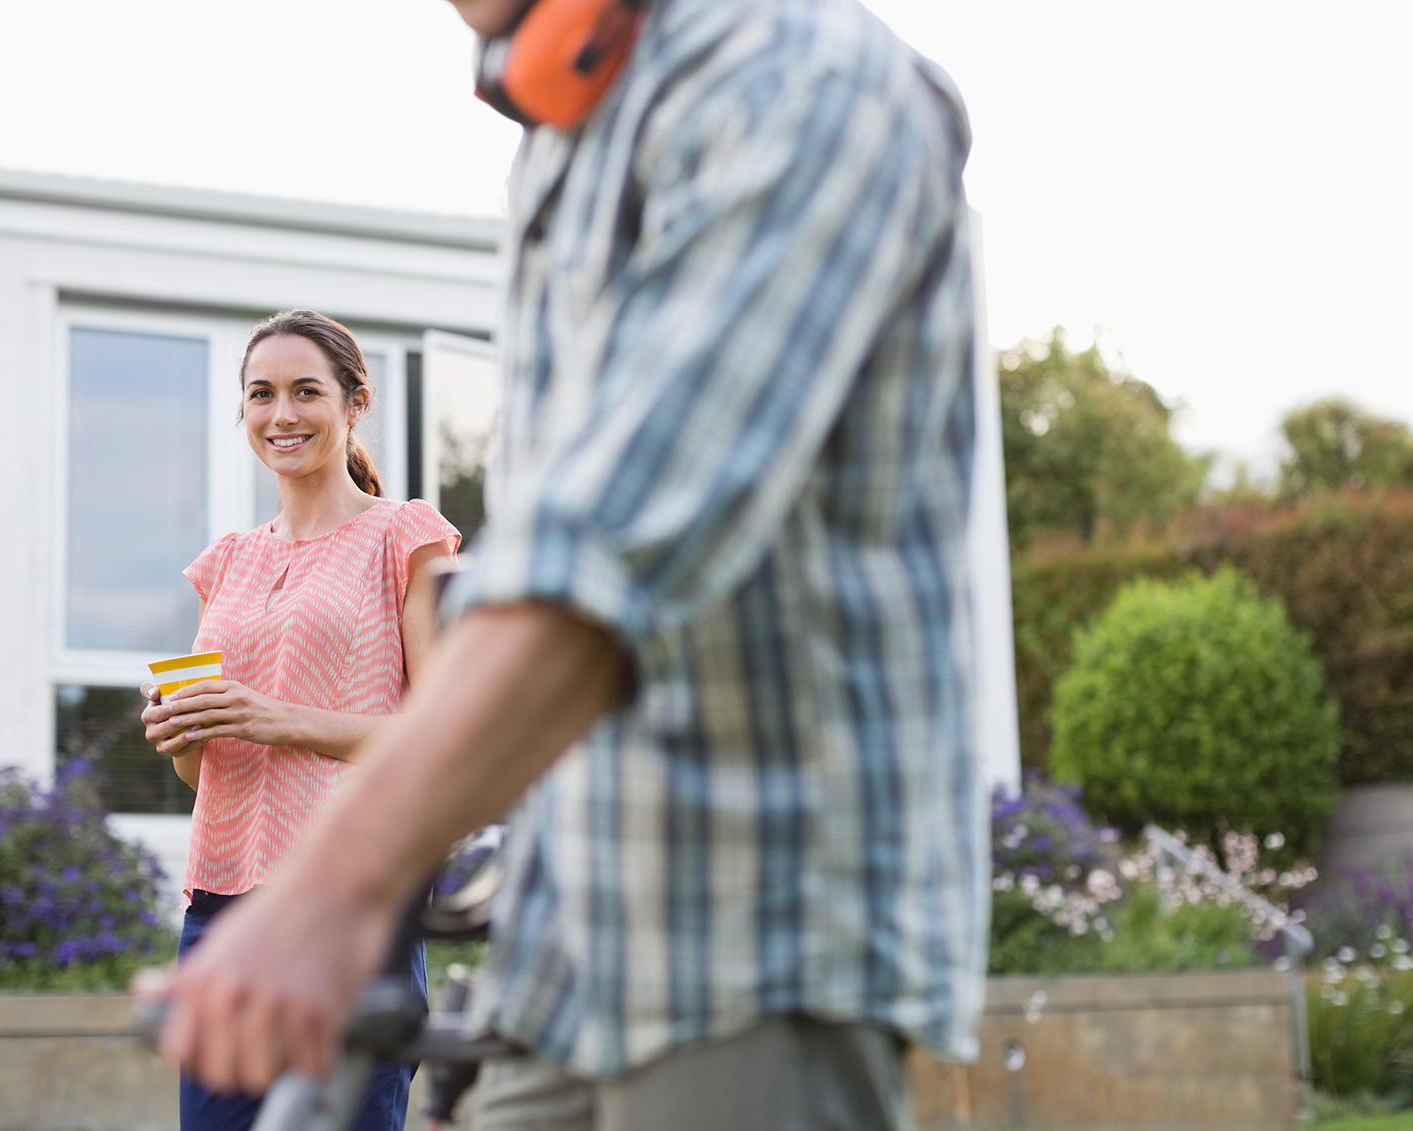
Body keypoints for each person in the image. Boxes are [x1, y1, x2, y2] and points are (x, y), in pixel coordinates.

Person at [145, 2, 988, 1128]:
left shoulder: (790, 78)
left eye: (306, 391)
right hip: (561, 946)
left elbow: (603, 555)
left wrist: (336, 884)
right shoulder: (569, 130)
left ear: (353, 408)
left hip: (754, 930)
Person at [139, 309, 460, 1131]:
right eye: (261, 394)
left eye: (305, 391)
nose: (281, 414)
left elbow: (447, 735)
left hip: (349, 899)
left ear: (355, 403)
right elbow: (204, 771)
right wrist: (189, 732)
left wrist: (277, 715)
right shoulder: (229, 562)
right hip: (220, 907)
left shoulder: (406, 535)